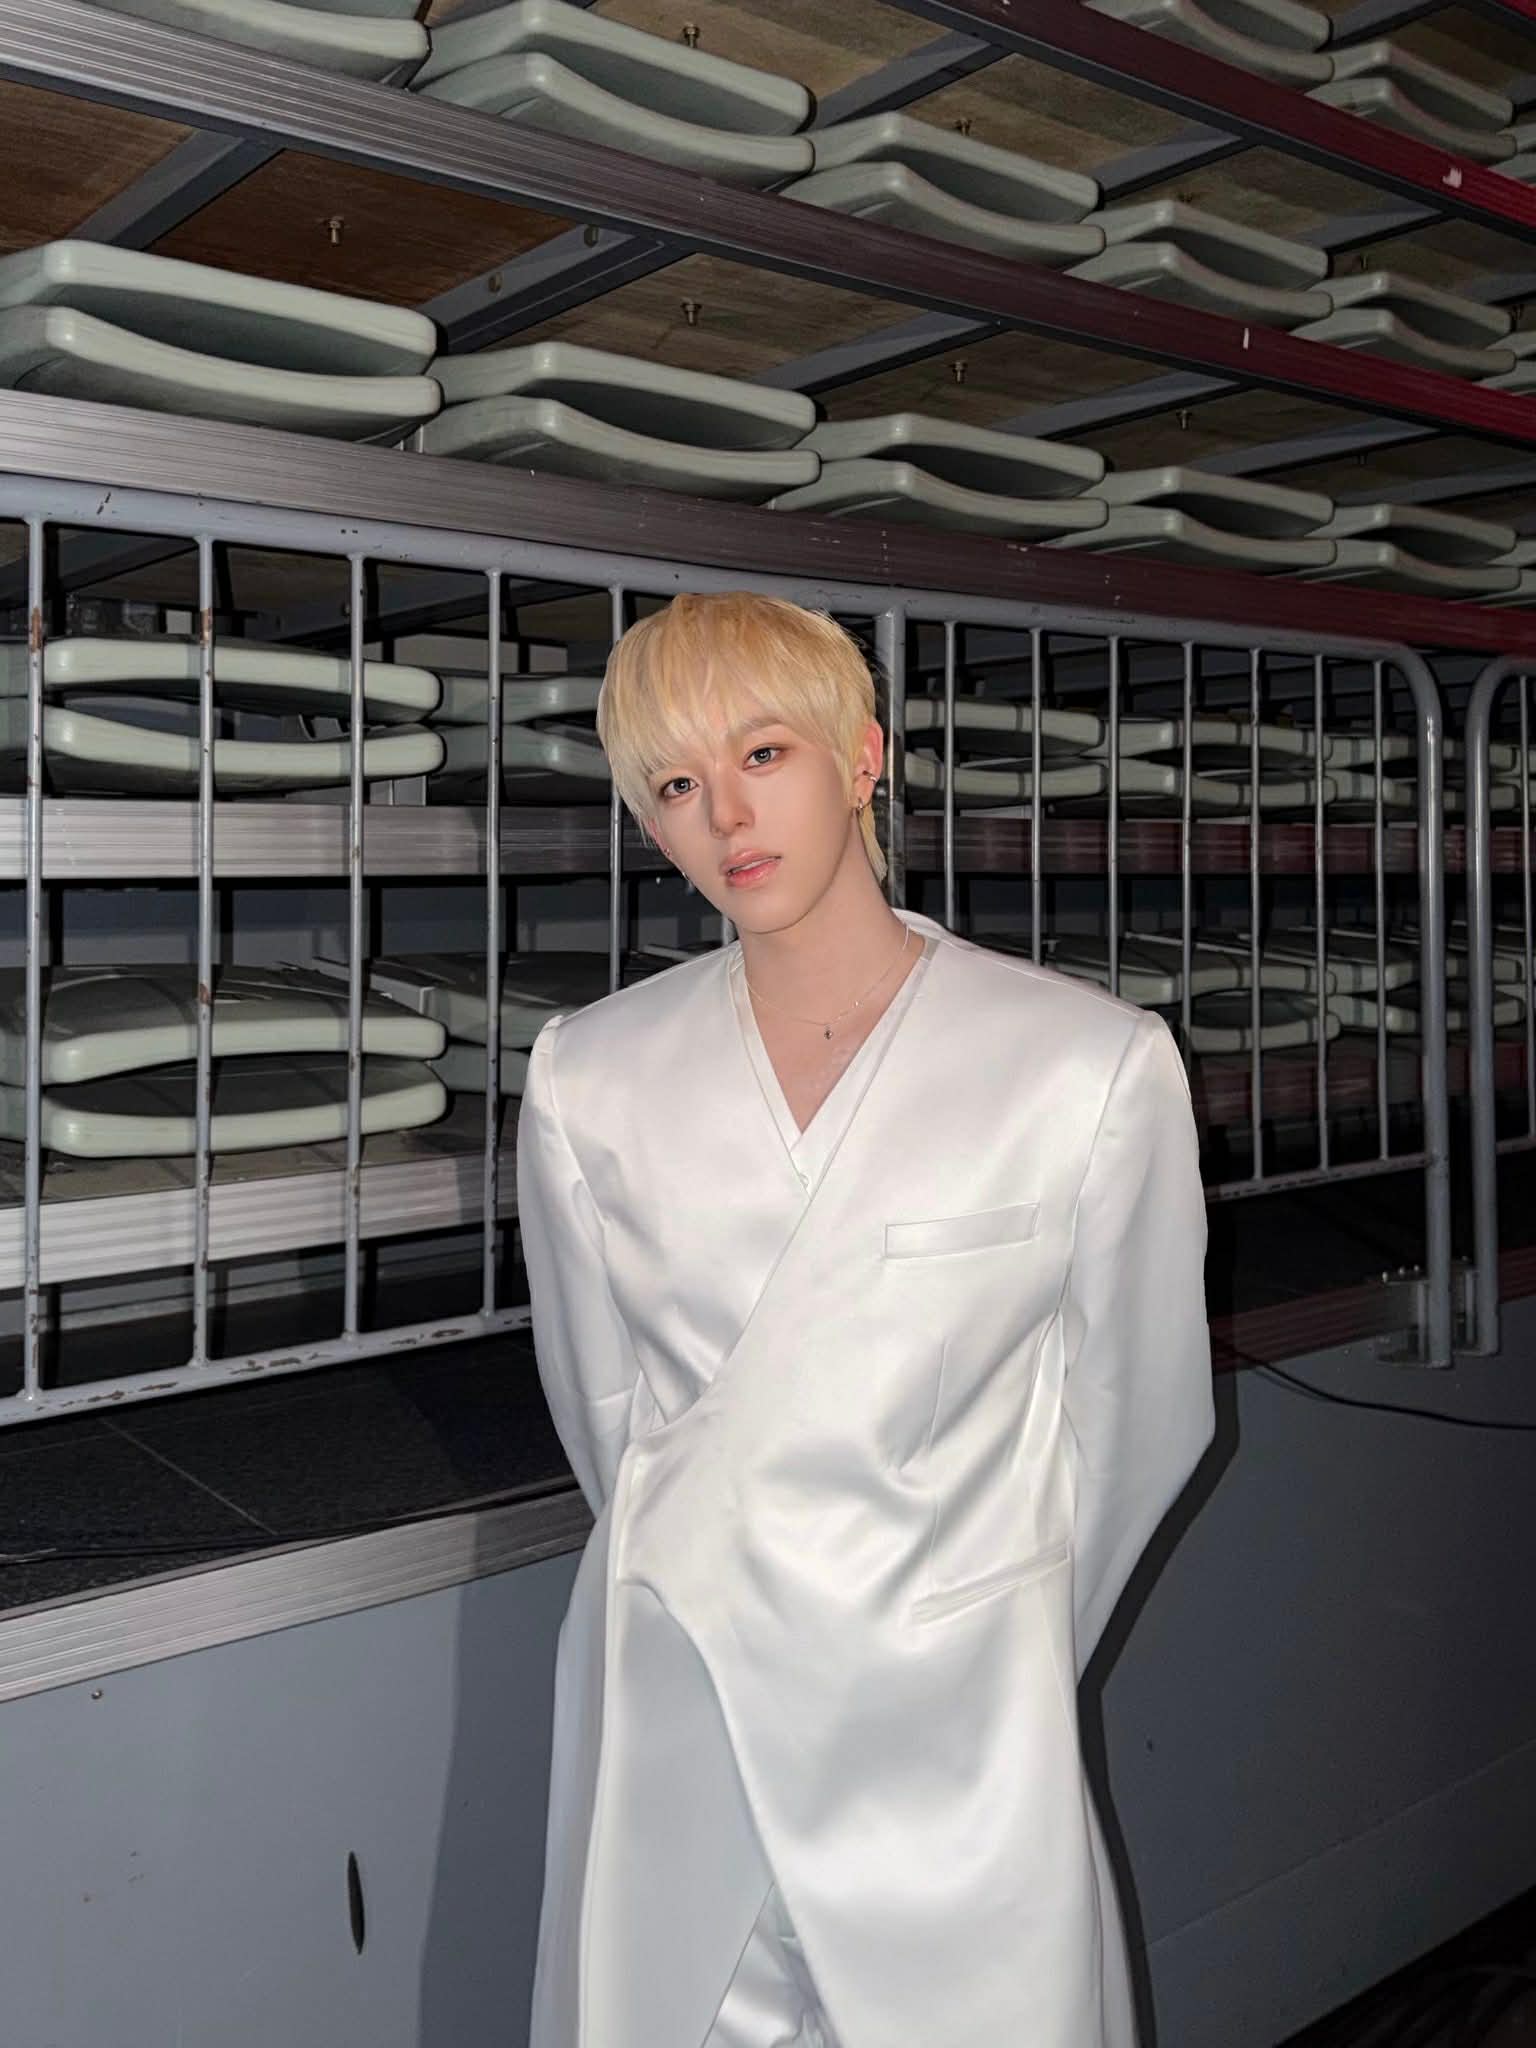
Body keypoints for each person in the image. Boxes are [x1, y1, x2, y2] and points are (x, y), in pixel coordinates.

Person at [515, 589, 1215, 2048]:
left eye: (762, 754)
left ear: (863, 756)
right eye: (676, 785)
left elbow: (1141, 1424)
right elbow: (610, 1423)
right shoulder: (592, 1075)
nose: (726, 817)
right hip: (682, 1704)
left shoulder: (1081, 1065)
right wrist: (713, 1586)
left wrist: (987, 1640)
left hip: (955, 1735)